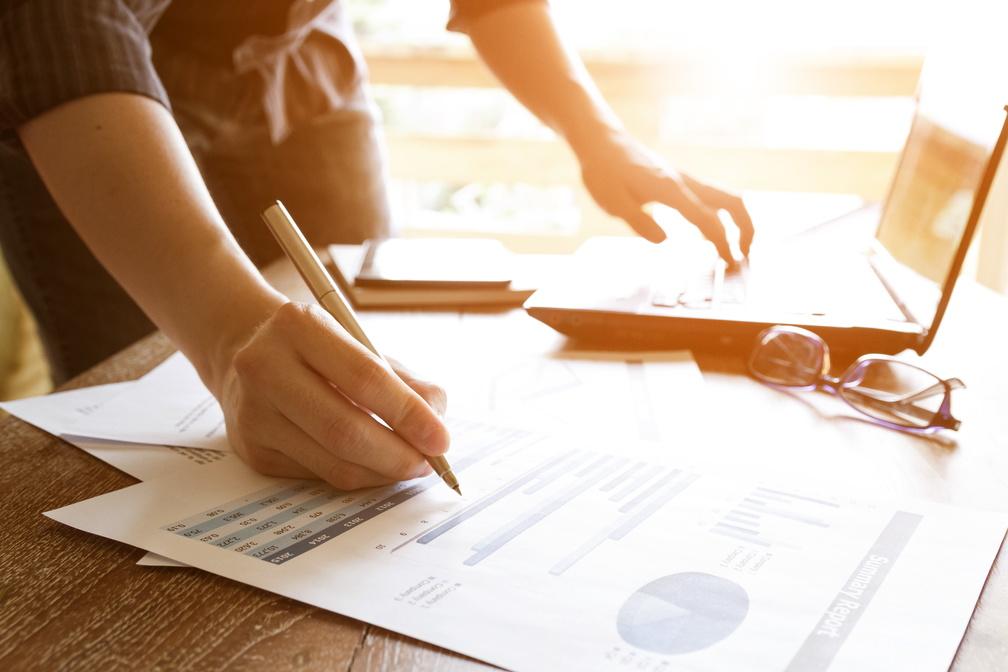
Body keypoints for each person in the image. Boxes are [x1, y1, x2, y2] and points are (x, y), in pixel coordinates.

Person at [0, 0, 753, 489]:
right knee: (129, 433)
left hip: (305, 66)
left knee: (359, 361)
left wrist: (600, 136)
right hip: (90, 94)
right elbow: (58, 22)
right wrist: (227, 332)